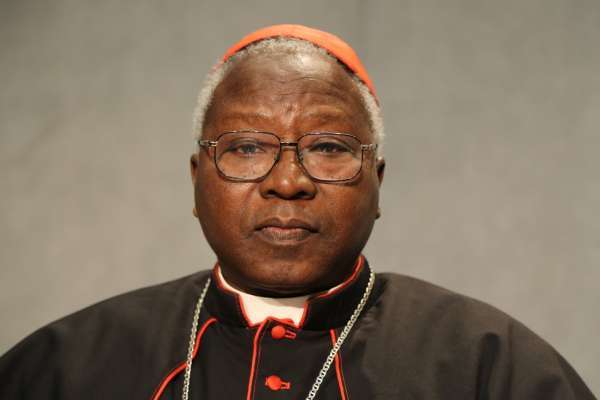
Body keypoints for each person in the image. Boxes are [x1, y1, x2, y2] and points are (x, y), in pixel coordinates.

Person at [0, 24, 595, 400]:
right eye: (246, 149)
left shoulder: (491, 365)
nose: (287, 183)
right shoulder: (64, 367)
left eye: (329, 148)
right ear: (197, 180)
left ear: (377, 183)